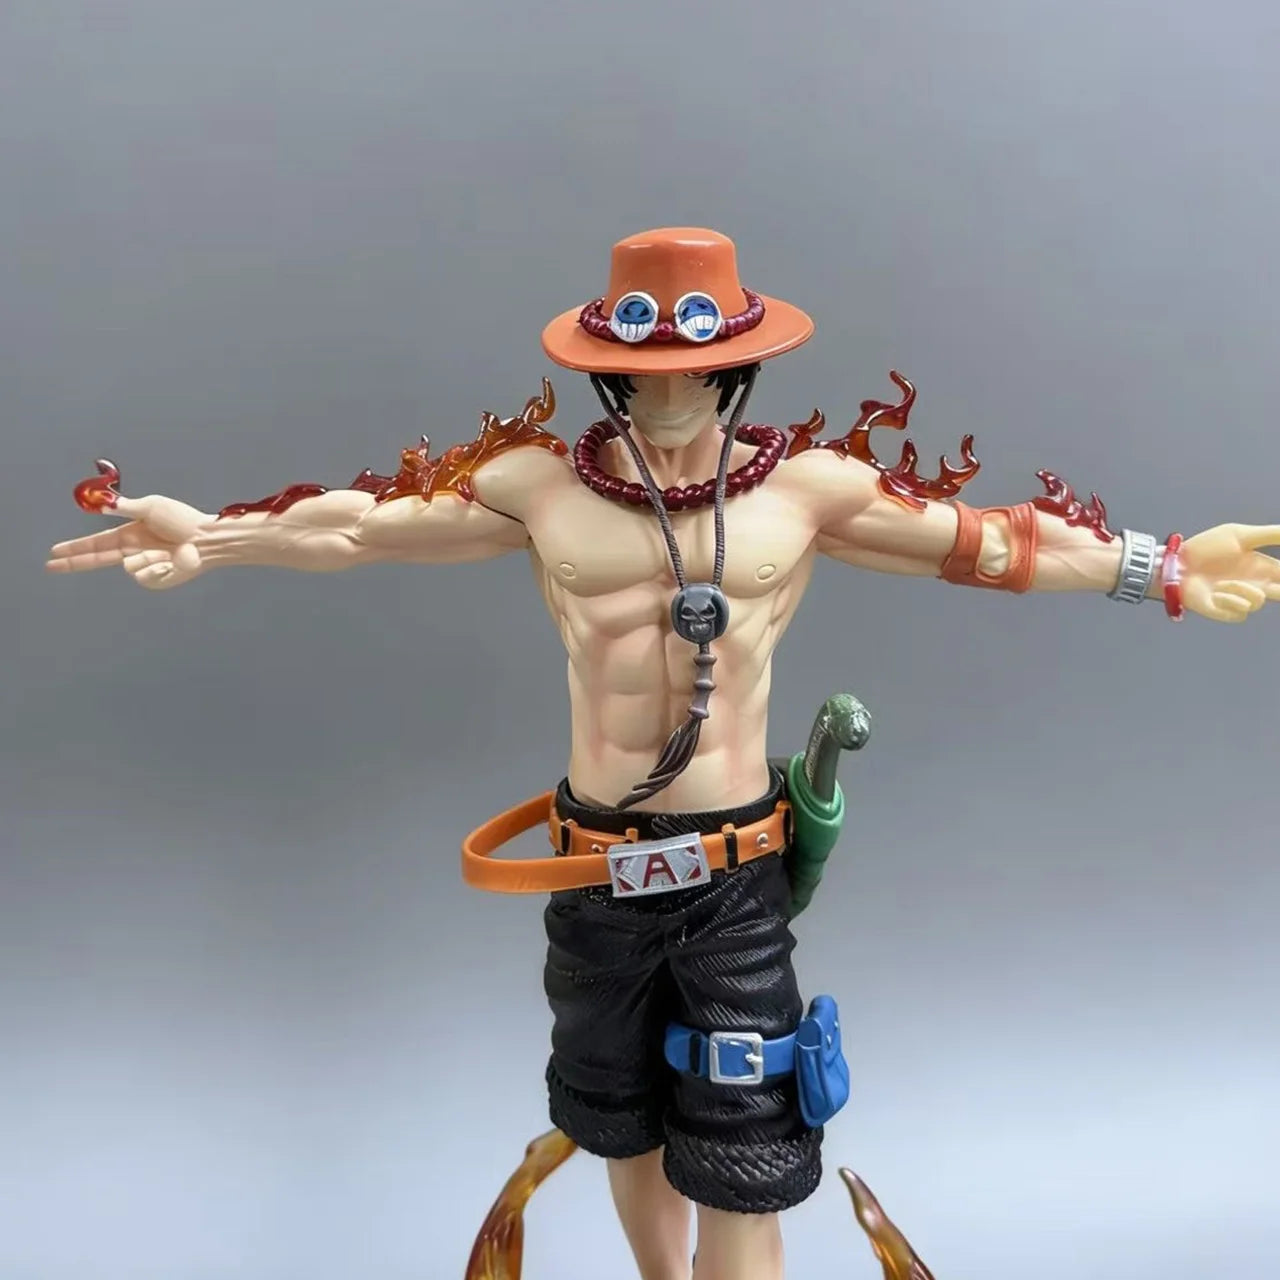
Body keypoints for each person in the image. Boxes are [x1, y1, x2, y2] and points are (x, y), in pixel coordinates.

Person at [47, 227, 1280, 1280]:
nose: (667, 382)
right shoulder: (538, 486)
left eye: (691, 358)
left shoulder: (802, 491)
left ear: (734, 358)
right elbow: (361, 528)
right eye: (640, 361)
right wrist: (212, 534)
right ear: (606, 364)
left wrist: (1159, 566)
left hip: (732, 873)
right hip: (593, 865)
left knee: (747, 1141)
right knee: (618, 1114)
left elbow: (988, 544)